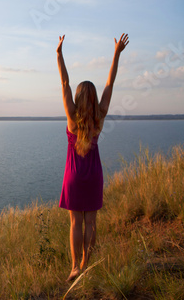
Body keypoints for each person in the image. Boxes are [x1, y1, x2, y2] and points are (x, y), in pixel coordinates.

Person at [56, 33, 129, 282]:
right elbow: (110, 83)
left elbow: (65, 83)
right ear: (94, 97)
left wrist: (59, 55)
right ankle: (88, 261)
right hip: (94, 175)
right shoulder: (100, 116)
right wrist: (116, 54)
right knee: (91, 223)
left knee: (75, 223)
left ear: (77, 97)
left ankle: (75, 266)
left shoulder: (72, 118)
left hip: (74, 176)